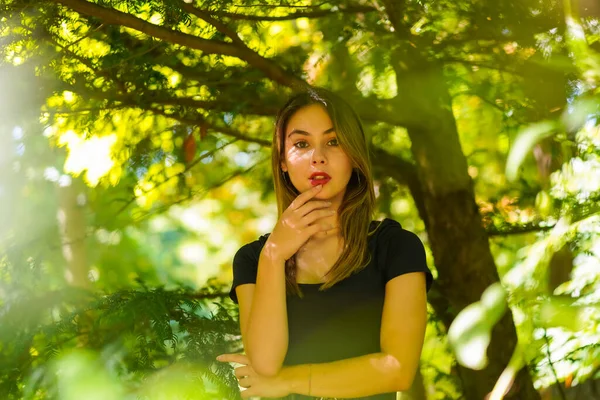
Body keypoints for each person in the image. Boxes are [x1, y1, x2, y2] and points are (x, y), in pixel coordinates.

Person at [217, 87, 433, 399]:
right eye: (302, 144)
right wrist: (274, 256)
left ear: (354, 156)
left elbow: (397, 369)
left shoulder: (396, 248)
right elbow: (264, 363)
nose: (318, 156)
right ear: (282, 162)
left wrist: (287, 381)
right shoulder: (255, 259)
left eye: (333, 142)